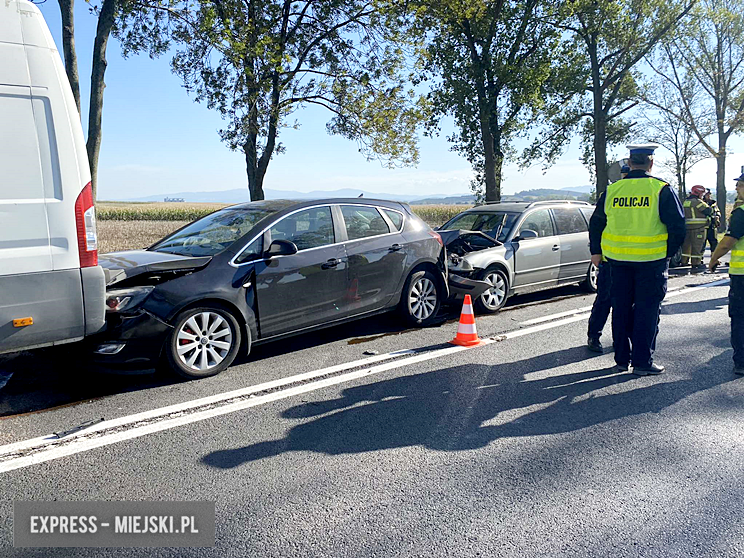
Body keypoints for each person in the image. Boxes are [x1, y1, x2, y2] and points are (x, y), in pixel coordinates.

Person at [589, 143, 686, 375]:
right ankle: (642, 362)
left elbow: (597, 223)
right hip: (651, 262)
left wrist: (596, 252)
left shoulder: (612, 191)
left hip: (616, 262)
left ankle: (621, 359)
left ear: (629, 163)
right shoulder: (660, 189)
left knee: (620, 310)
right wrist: (667, 253)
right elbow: (678, 227)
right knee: (647, 311)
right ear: (651, 163)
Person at [586, 165, 628, 353]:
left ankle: (622, 339)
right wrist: (596, 251)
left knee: (627, 303)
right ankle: (594, 335)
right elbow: (596, 224)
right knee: (605, 299)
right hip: (611, 259)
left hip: (633, 259)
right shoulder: (613, 194)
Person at [709, 172, 744, 374]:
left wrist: (713, 259)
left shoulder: (741, 213)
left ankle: (741, 361)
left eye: (740, 185)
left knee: (739, 317)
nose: (737, 189)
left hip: (742, 275)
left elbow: (727, 242)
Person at [681, 185, 713, 270]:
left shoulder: (686, 202)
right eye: (702, 194)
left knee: (687, 245)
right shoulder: (698, 202)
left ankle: (684, 261)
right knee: (697, 245)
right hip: (698, 228)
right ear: (698, 193)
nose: (702, 196)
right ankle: (696, 263)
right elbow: (709, 211)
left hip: (687, 228)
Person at [702, 189, 721, 254]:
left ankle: (714, 257)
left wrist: (717, 217)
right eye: (707, 195)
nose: (709, 196)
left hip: (712, 226)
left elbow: (717, 211)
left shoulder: (713, 204)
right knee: (702, 242)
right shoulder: (701, 203)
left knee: (714, 242)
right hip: (703, 226)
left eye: (709, 194)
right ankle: (699, 258)